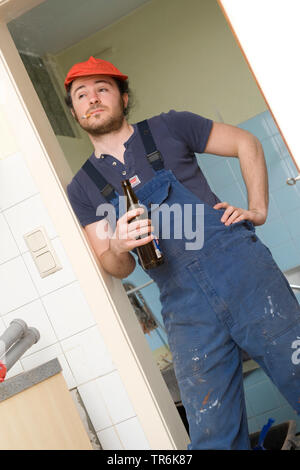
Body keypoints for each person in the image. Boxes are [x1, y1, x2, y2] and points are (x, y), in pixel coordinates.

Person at [65, 56, 300, 450]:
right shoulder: (83, 187)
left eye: (102, 89)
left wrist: (257, 209)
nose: (92, 99)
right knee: (211, 434)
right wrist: (120, 245)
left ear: (123, 97)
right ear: (74, 110)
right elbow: (114, 266)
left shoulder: (169, 126)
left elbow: (248, 143)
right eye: (81, 94)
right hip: (185, 308)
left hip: (244, 276)